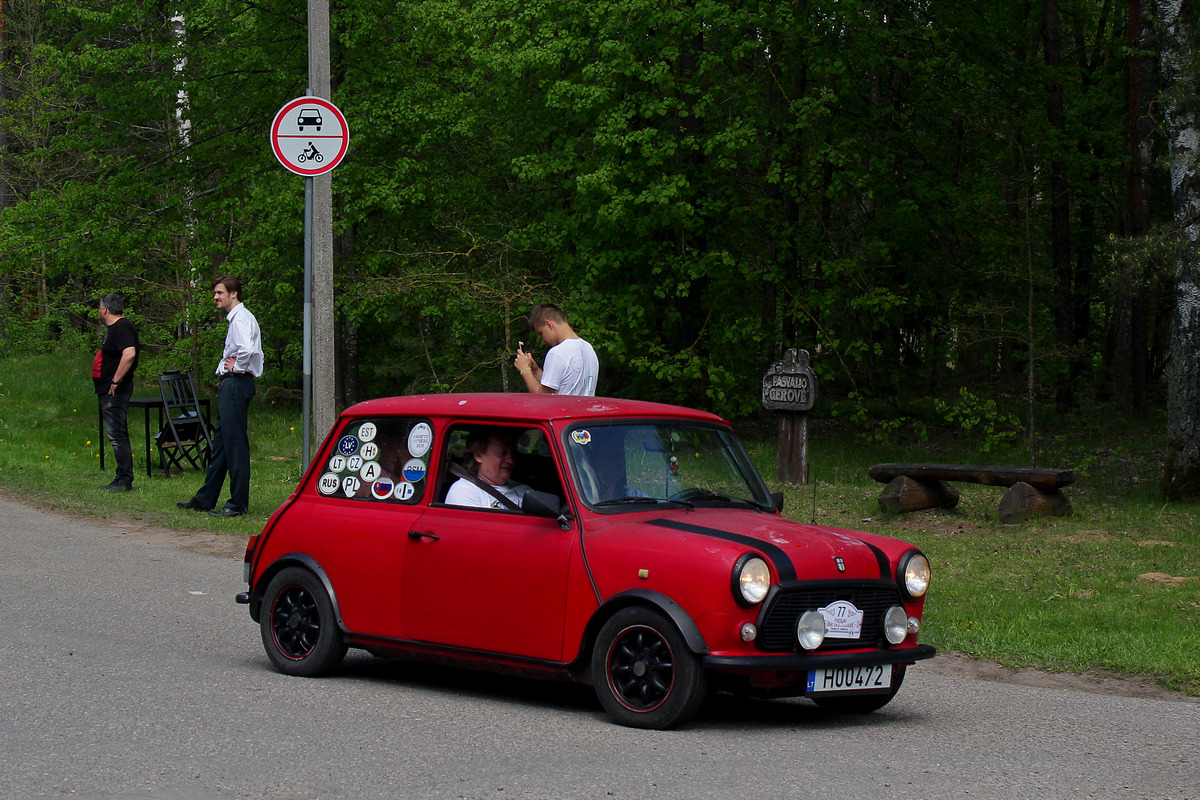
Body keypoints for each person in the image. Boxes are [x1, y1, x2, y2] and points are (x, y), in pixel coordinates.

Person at [178, 275, 263, 517]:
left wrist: (236, 367)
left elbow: (247, 349)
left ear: (233, 293)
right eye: (215, 293)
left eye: (219, 293)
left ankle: (237, 504)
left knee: (235, 446)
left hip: (236, 384)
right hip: (232, 384)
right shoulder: (237, 319)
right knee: (221, 445)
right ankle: (205, 499)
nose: (215, 297)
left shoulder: (241, 320)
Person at [93, 294, 140, 492]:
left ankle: (125, 480)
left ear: (105, 309)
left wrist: (115, 380)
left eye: (99, 307)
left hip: (115, 390)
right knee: (116, 434)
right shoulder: (115, 329)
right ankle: (120, 476)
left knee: (117, 434)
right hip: (107, 389)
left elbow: (129, 354)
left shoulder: (122, 327)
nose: (99, 311)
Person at [513, 303, 599, 396]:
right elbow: (558, 387)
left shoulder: (557, 353)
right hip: (586, 410)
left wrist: (524, 370)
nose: (543, 340)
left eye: (541, 333)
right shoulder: (588, 348)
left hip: (564, 410)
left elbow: (544, 396)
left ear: (549, 324)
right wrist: (536, 371)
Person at [445, 430, 530, 509]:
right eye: (502, 453)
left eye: (513, 453)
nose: (510, 460)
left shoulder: (526, 492)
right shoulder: (464, 491)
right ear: (479, 456)